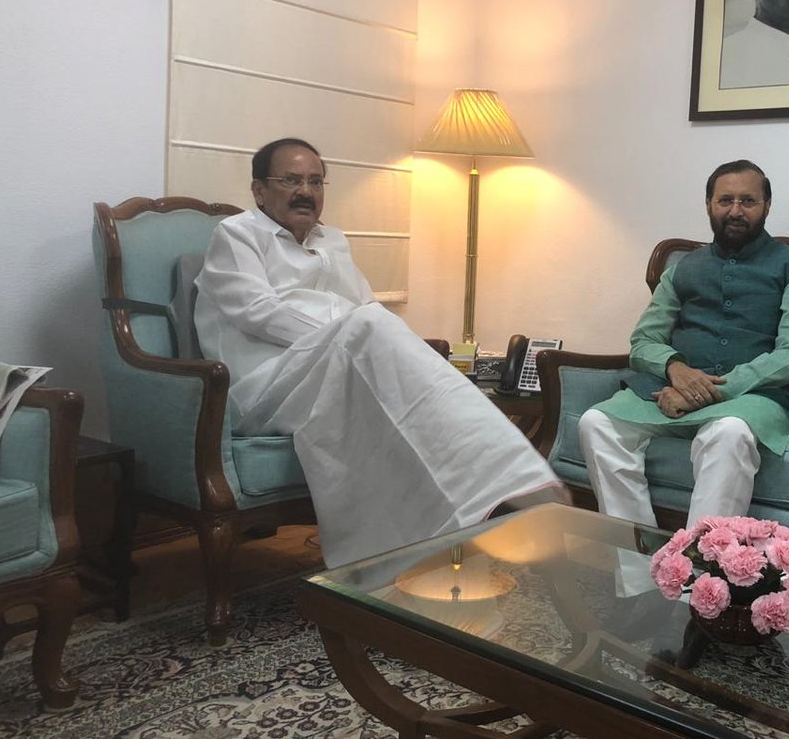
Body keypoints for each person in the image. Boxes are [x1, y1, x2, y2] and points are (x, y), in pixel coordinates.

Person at [194, 137, 566, 568]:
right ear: (259, 189)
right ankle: (510, 482)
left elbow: (366, 308)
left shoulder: (332, 240)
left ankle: (462, 515)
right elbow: (259, 313)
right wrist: (346, 334)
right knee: (370, 326)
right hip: (263, 386)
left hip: (328, 370)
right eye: (291, 180)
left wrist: (362, 335)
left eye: (316, 182)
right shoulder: (236, 234)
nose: (306, 191)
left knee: (382, 338)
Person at [578, 160, 789, 595]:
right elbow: (643, 341)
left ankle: (699, 587)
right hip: (675, 385)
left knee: (728, 432)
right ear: (708, 205)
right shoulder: (683, 267)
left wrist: (711, 392)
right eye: (725, 200)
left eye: (748, 201)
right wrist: (676, 370)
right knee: (597, 423)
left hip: (757, 395)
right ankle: (641, 573)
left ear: (767, 206)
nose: (736, 210)